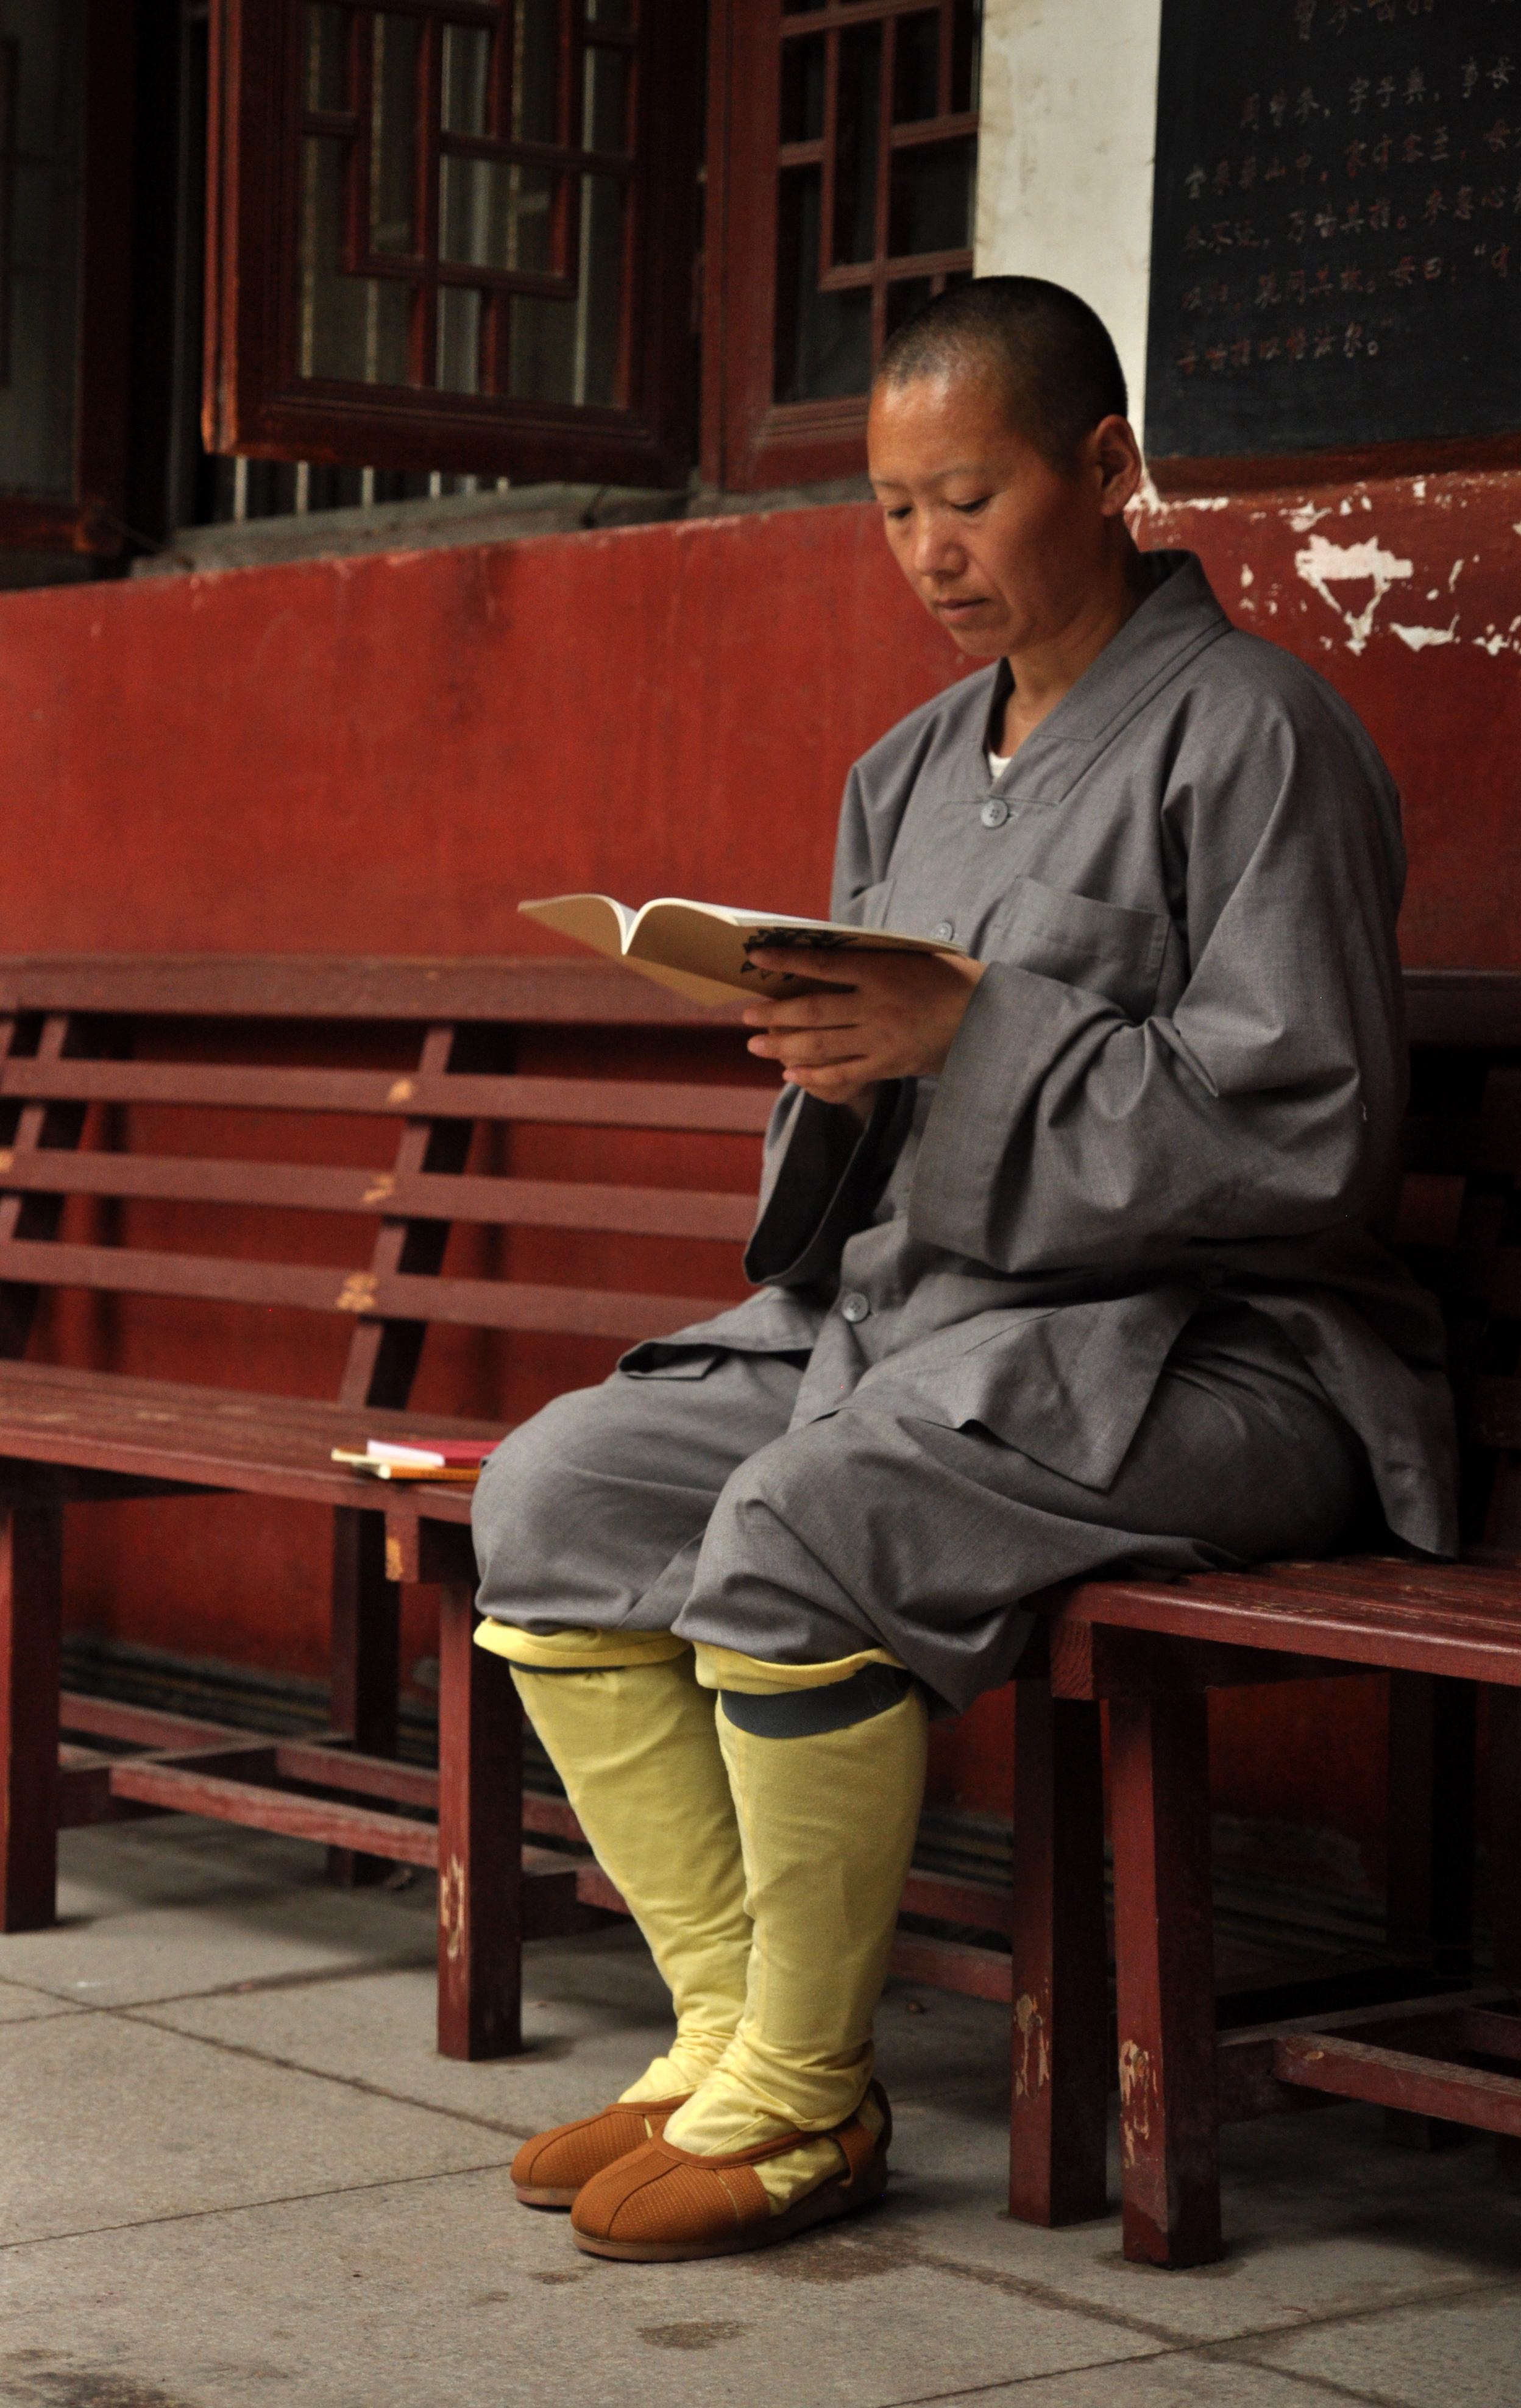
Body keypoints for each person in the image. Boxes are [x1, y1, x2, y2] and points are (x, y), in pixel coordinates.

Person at [470, 277, 1457, 2265]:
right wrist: (830, 1061)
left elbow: (1313, 1131)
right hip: (933, 1321)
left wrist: (968, 1043)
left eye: (971, 497)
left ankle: (808, 2105)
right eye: (894, 509)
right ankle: (732, 2032)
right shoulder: (903, 770)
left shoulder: (1258, 736)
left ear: (1105, 470)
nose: (931, 554)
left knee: (808, 1522)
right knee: (556, 1490)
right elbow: (872, 1141)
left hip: (1224, 1357)